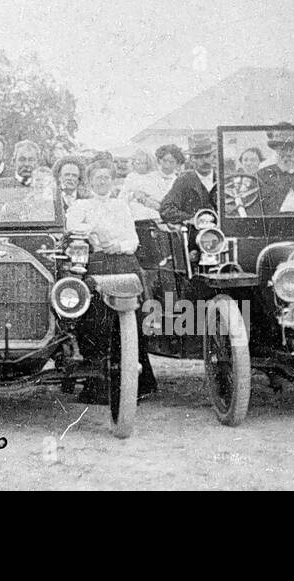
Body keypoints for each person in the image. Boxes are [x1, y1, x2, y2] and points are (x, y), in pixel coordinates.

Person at [66, 159, 156, 403]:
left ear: (112, 180)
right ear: (90, 180)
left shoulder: (121, 206)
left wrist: (119, 245)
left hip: (125, 264)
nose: (102, 182)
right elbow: (75, 229)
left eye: (107, 177)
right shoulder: (81, 205)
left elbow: (133, 239)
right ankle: (98, 384)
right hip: (97, 265)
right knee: (96, 322)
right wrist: (97, 230)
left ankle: (135, 384)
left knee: (130, 322)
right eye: (98, 178)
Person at [159, 135, 217, 223]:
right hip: (194, 233)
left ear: (213, 157)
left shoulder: (222, 179)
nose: (204, 161)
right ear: (191, 160)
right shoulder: (184, 180)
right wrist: (191, 218)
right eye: (198, 157)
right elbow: (165, 209)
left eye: (207, 156)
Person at [120, 147, 176, 221]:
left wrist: (147, 199)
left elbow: (161, 197)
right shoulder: (131, 177)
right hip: (133, 211)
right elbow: (121, 198)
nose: (139, 165)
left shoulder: (155, 177)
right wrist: (133, 195)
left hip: (151, 210)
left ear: (149, 163)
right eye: (137, 162)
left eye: (143, 163)